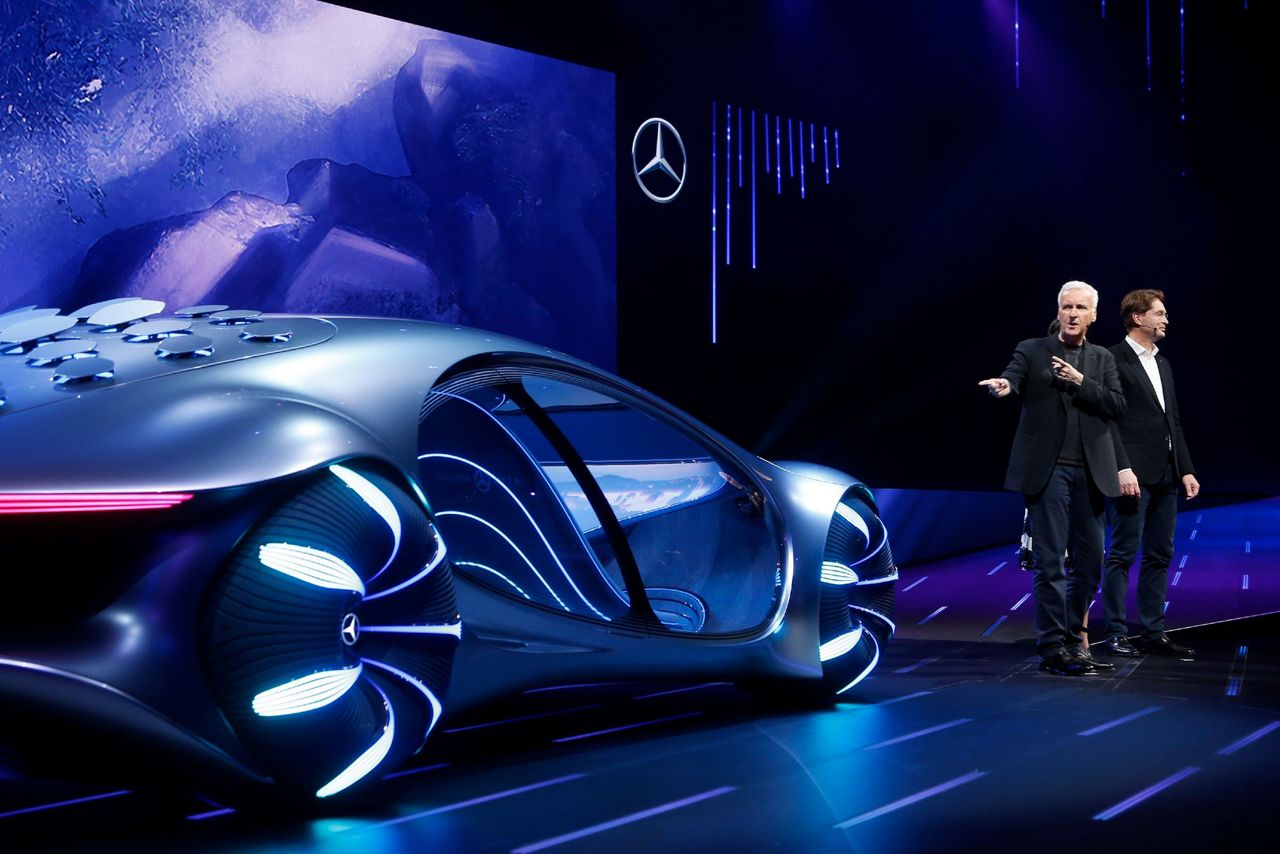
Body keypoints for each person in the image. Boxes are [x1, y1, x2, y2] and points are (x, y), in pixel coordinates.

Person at [980, 281, 1126, 676]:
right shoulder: (1033, 349)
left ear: (1093, 315)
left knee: (1091, 564)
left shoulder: (1101, 359)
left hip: (1091, 472)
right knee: (1050, 563)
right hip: (1049, 472)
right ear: (1058, 311)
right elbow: (1013, 377)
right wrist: (1004, 386)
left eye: (1081, 308)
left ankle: (1073, 638)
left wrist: (1080, 381)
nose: (1073, 314)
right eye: (1067, 307)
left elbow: (1117, 405)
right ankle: (1053, 647)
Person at [1099, 290, 1199, 660]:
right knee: (1123, 553)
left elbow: (1173, 420)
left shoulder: (1163, 363)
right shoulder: (1113, 358)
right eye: (1159, 313)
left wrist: (1185, 468)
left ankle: (1153, 631)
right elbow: (1107, 420)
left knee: (1160, 554)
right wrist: (1121, 466)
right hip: (1132, 474)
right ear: (1137, 317)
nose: (1166, 320)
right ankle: (1115, 632)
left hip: (1166, 474)